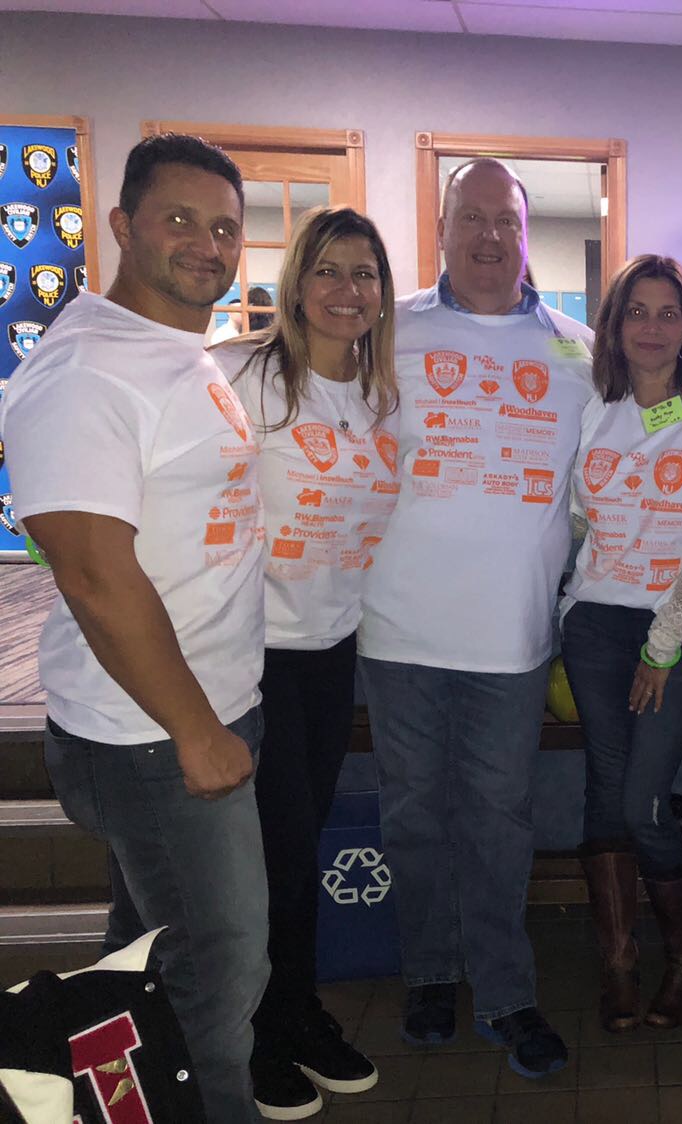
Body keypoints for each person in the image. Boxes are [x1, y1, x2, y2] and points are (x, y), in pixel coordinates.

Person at [0, 133, 268, 1122]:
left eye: (225, 228)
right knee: (218, 971)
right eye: (180, 219)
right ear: (121, 225)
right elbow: (92, 574)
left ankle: (119, 1104)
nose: (207, 244)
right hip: (152, 735)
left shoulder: (175, 351)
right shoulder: (85, 371)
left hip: (197, 713)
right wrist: (196, 730)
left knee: (146, 962)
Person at [357, 158, 598, 1078]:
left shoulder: (578, 350)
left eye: (507, 221)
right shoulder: (387, 330)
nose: (490, 236)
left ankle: (505, 990)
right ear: (442, 229)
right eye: (472, 217)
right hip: (398, 626)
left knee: (500, 818)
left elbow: (644, 438)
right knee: (414, 812)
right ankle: (428, 972)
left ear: (526, 236)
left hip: (512, 633)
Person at [212, 206, 399, 1119]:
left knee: (300, 843)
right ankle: (256, 1032)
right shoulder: (238, 376)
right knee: (276, 853)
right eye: (328, 269)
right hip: (251, 654)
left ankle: (295, 1010)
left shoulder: (380, 396)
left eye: (364, 273)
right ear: (295, 281)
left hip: (331, 650)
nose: (346, 289)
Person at [561, 254, 682, 1034]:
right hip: (593, 623)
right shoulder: (596, 411)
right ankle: (618, 964)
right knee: (604, 795)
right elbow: (581, 521)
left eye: (667, 312)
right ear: (614, 325)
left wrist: (663, 643)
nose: (650, 327)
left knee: (645, 804)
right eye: (636, 311)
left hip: (676, 631)